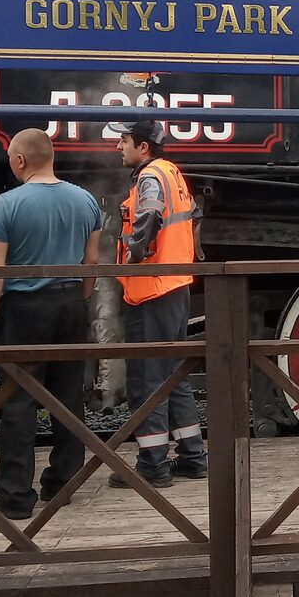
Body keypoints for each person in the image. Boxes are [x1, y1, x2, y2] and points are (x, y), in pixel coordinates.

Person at [0, 128, 102, 520]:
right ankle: (63, 482)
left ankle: (15, 496)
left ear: (18, 160)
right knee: (68, 395)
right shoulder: (86, 200)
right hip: (69, 303)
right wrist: (78, 300)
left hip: (24, 308)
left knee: (18, 399)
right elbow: (92, 263)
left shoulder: (5, 204)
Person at [108, 118, 205, 488]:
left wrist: (136, 251)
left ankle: (152, 465)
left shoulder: (149, 177)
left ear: (143, 147)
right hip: (175, 284)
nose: (119, 147)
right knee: (173, 374)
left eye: (124, 141)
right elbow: (195, 213)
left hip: (151, 290)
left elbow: (149, 214)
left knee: (148, 379)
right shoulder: (172, 172)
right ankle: (193, 456)